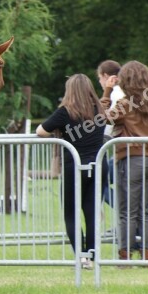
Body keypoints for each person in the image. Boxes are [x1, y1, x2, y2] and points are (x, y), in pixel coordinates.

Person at [101, 61, 148, 264]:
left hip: (130, 159)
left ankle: (125, 255)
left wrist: (107, 92)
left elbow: (103, 118)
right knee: (144, 210)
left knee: (126, 211)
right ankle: (147, 254)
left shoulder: (126, 103)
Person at [36, 74, 108, 269]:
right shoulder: (100, 109)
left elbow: (40, 131)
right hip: (98, 166)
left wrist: (60, 133)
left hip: (73, 167)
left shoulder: (65, 112)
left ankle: (81, 257)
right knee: (92, 212)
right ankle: (92, 257)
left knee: (71, 214)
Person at [97, 60, 125, 209]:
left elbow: (105, 120)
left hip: (124, 148)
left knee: (99, 181)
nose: (100, 82)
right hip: (127, 148)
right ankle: (125, 222)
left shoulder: (115, 94)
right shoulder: (123, 92)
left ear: (106, 76)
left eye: (100, 78)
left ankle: (125, 216)